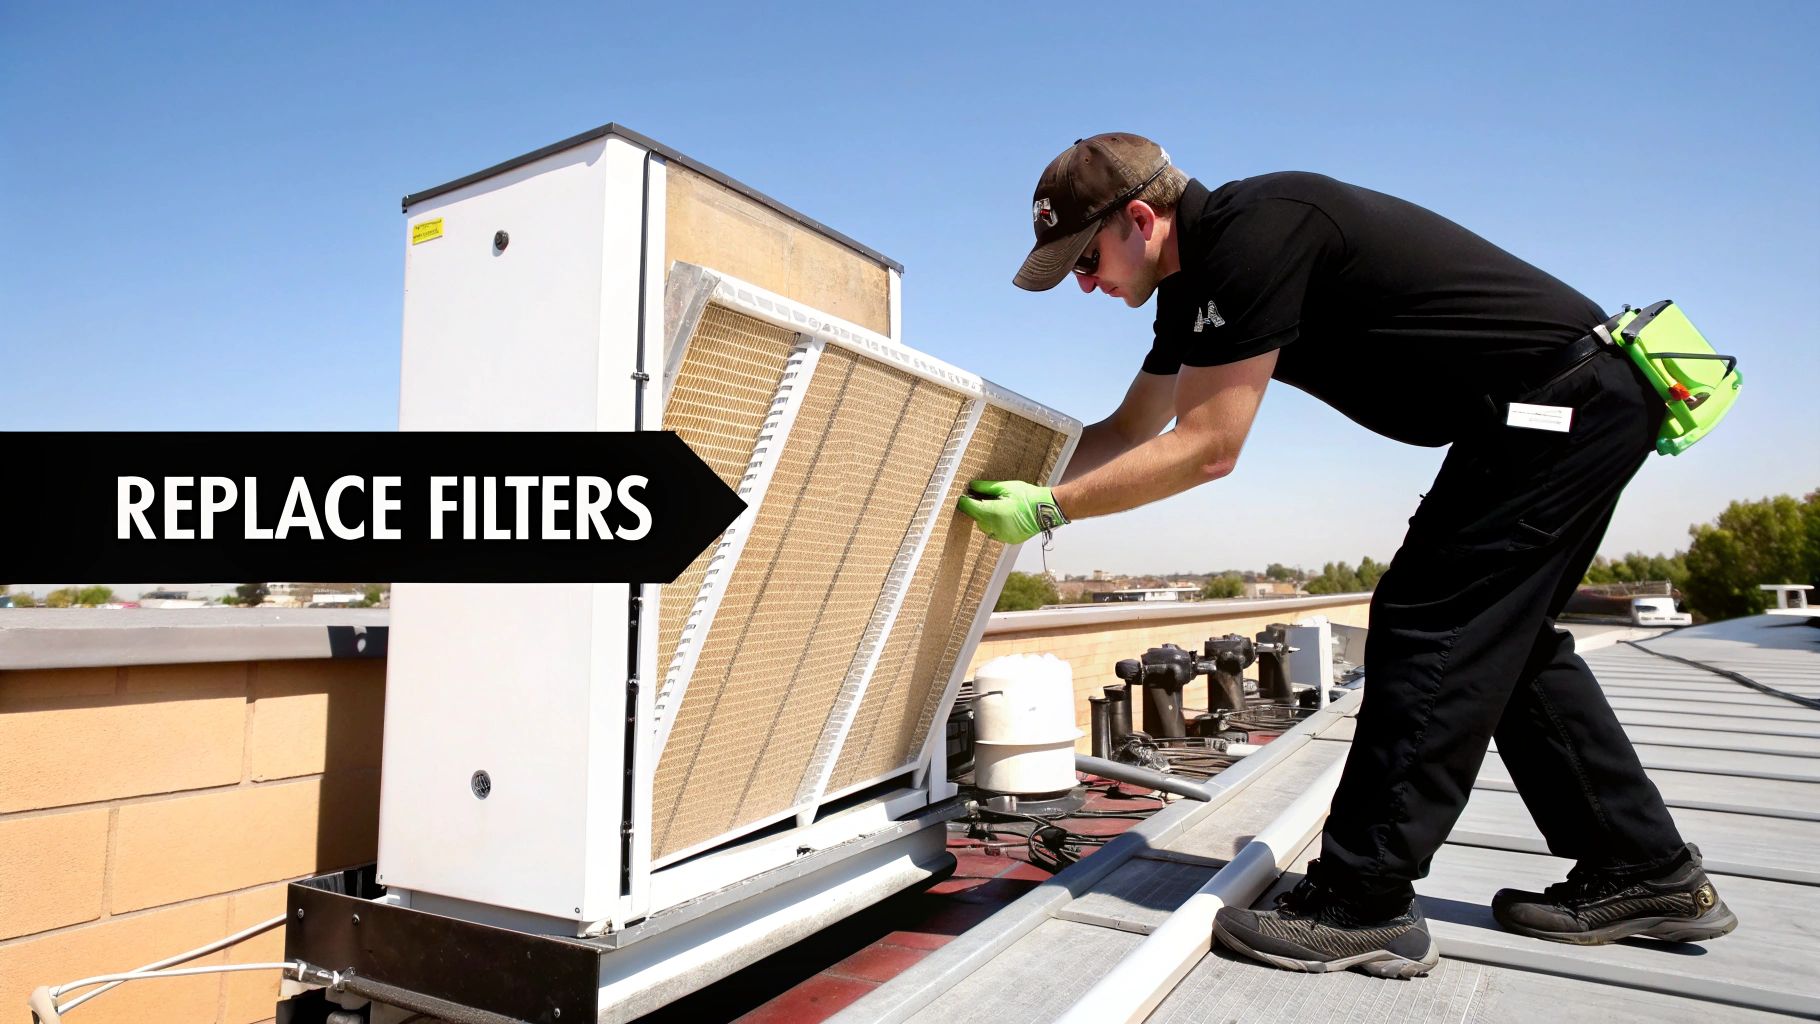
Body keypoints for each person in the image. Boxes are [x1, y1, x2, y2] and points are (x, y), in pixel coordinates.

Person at [956, 133, 1738, 978]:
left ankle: (1362, 901)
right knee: (1503, 642)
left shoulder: (1256, 232)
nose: (1084, 282)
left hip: (1560, 401)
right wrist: (981, 483)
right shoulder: (1192, 291)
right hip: (1550, 408)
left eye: (1086, 258)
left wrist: (1051, 509)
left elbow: (1209, 446)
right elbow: (1129, 431)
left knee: (1430, 622)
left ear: (1140, 219)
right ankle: (1645, 867)